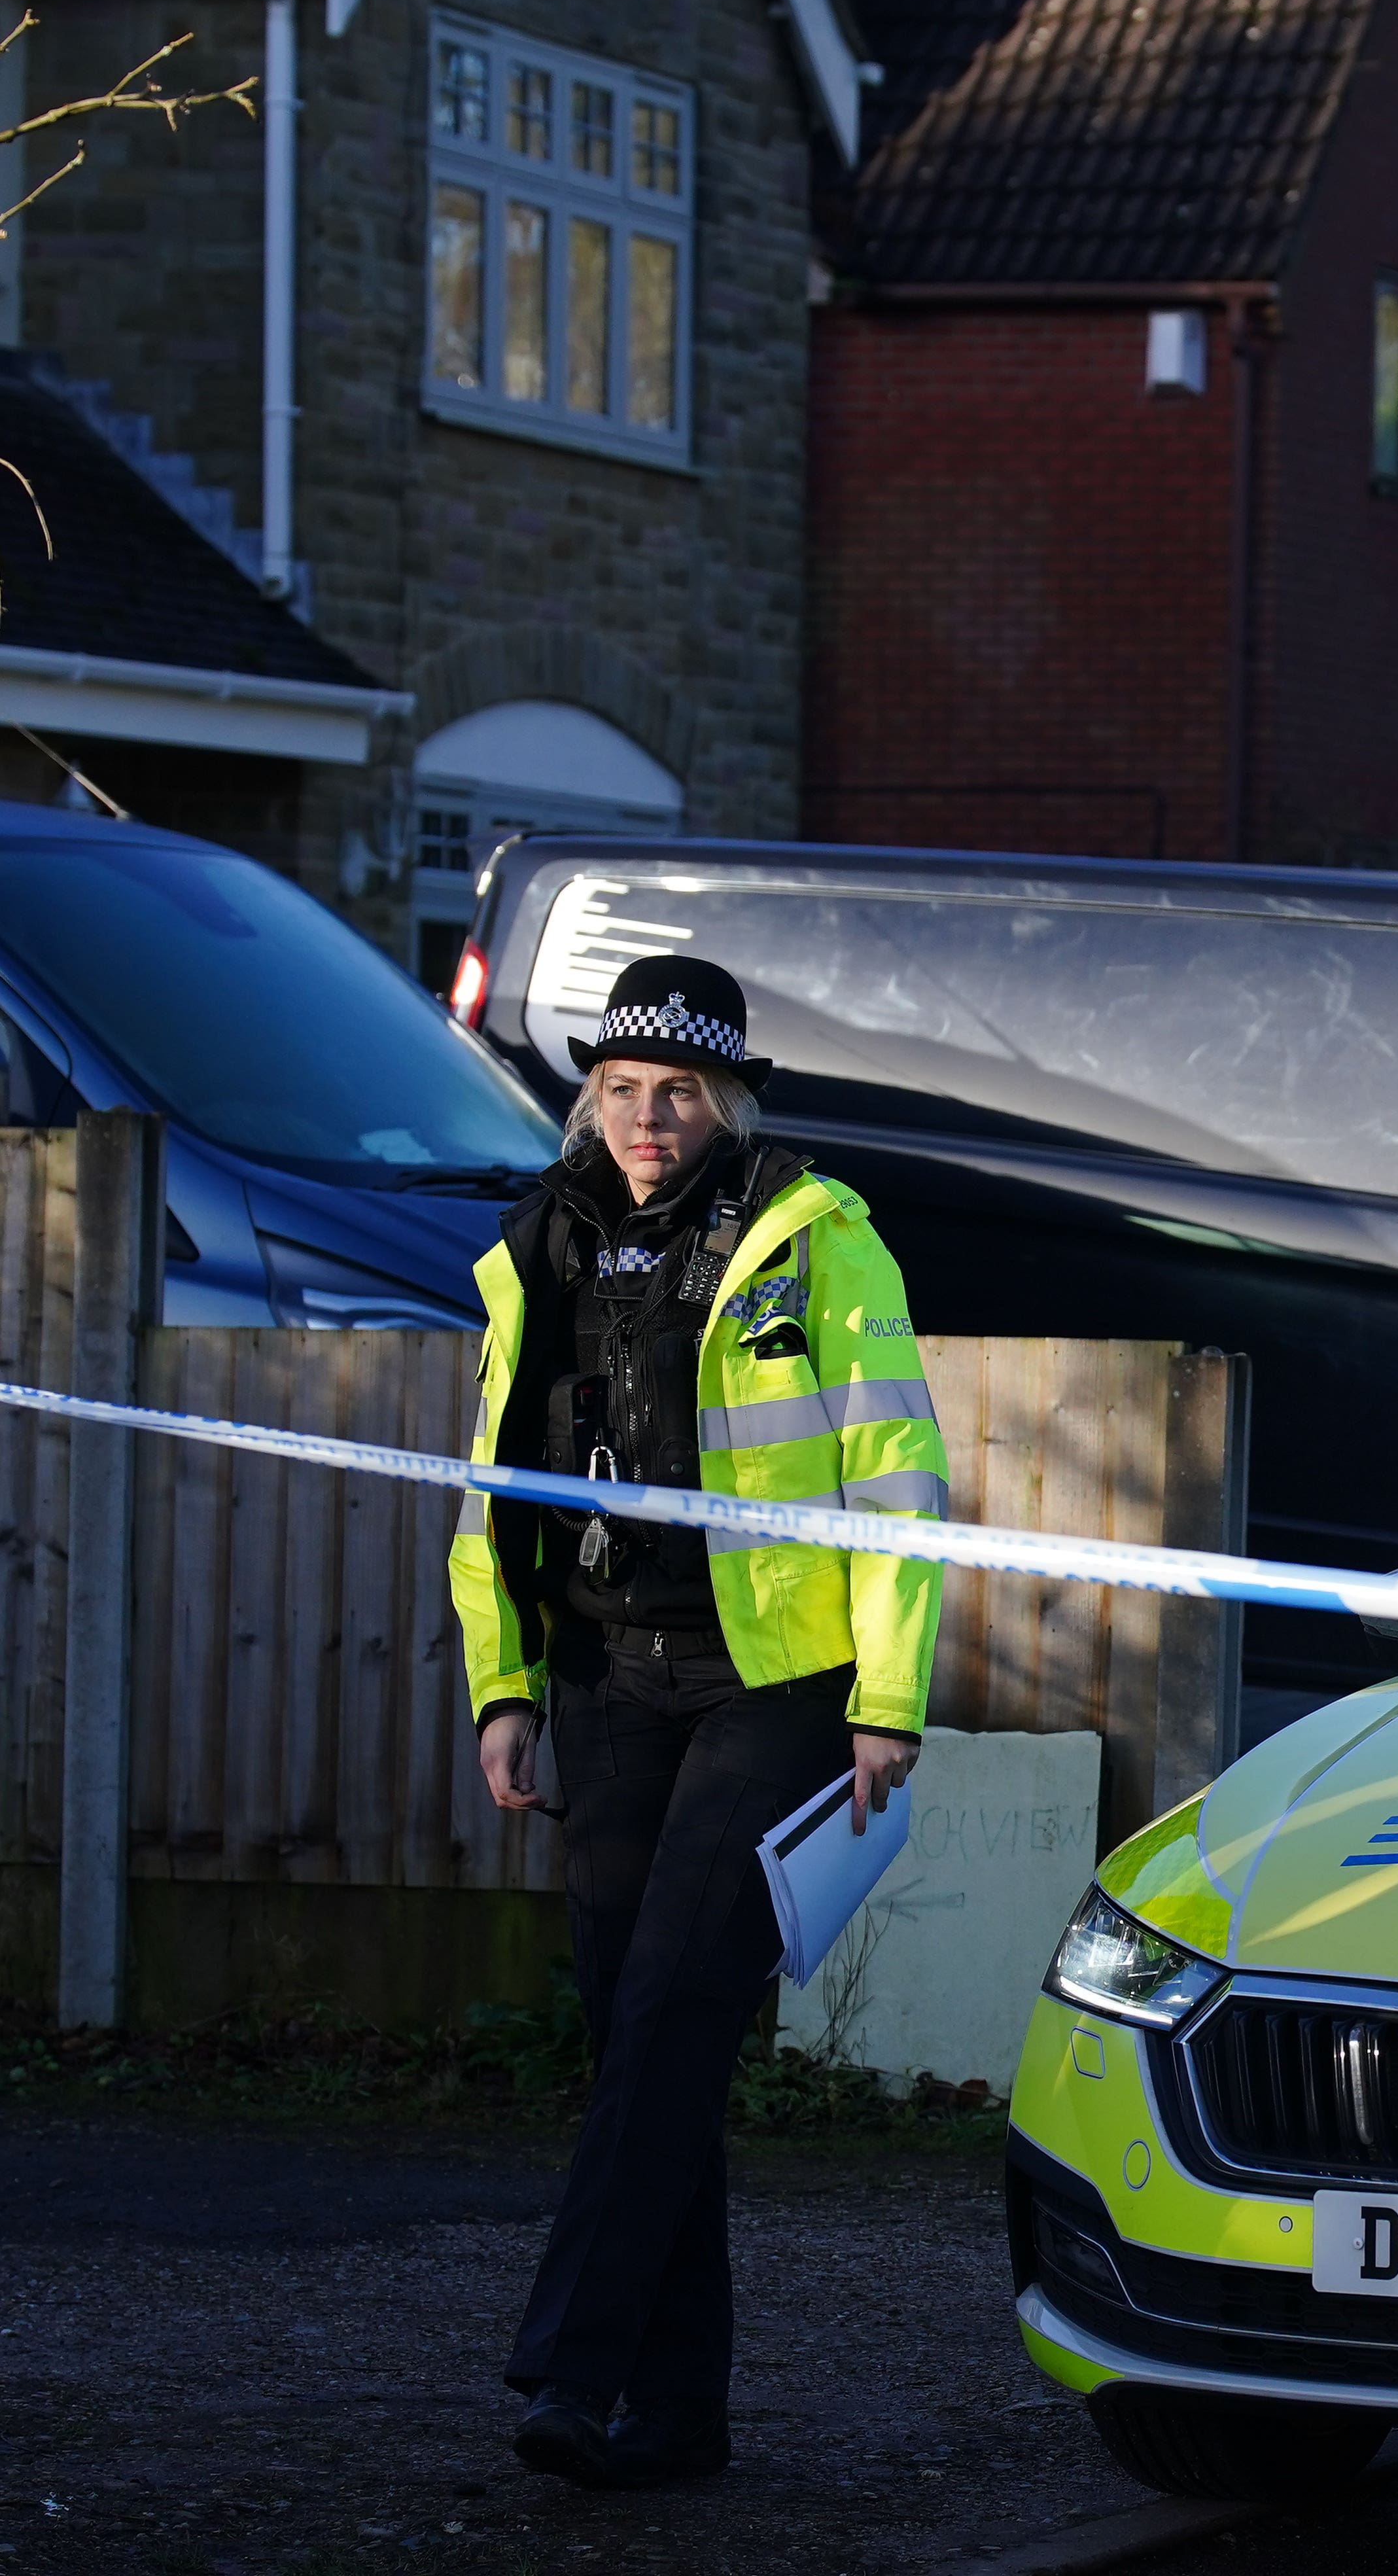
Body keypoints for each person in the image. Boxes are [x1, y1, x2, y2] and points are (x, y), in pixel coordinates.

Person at [446, 952, 946, 2488]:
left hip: (773, 1683)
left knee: (671, 2014)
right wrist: (507, 1678)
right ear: (590, 1097)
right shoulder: (538, 1243)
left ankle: (571, 2368)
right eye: (620, 1090)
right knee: (633, 2038)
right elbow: (493, 1494)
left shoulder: (815, 1241)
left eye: (677, 1093)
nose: (647, 1118)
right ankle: (676, 2414)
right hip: (603, 1676)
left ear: (725, 1099)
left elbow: (899, 1479)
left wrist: (890, 1698)